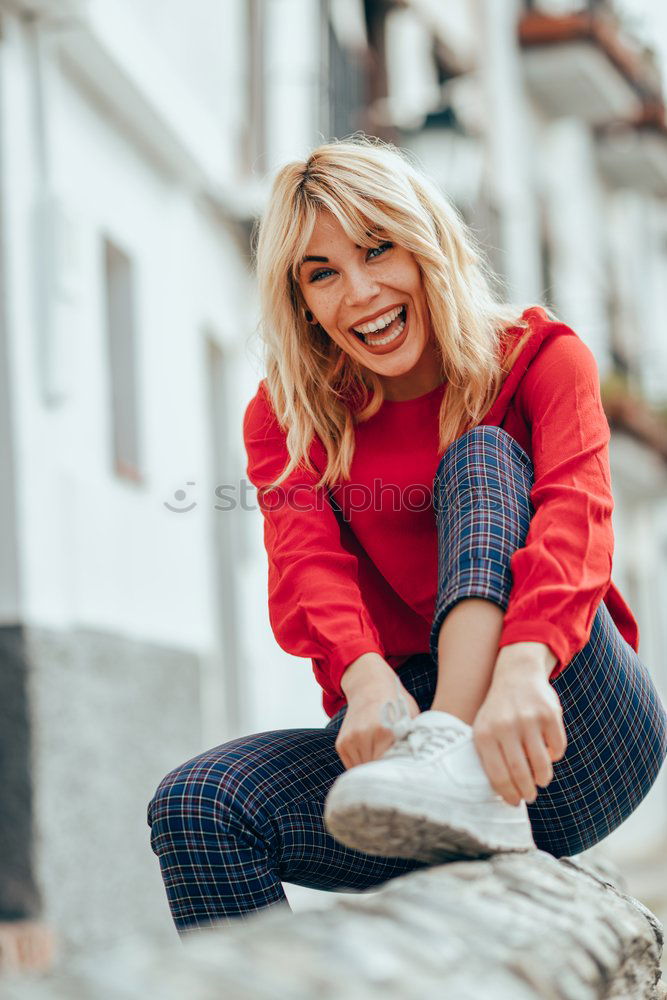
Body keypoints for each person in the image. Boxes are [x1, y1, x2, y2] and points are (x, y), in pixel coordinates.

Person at [148, 137, 667, 933]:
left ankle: (452, 746)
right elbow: (305, 562)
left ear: (423, 239)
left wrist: (523, 667)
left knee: (484, 456)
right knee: (198, 804)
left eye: (375, 249)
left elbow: (576, 517)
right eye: (321, 274)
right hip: (405, 754)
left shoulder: (537, 358)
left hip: (565, 718)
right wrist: (362, 679)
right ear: (301, 302)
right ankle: (437, 762)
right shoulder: (287, 416)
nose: (357, 292)